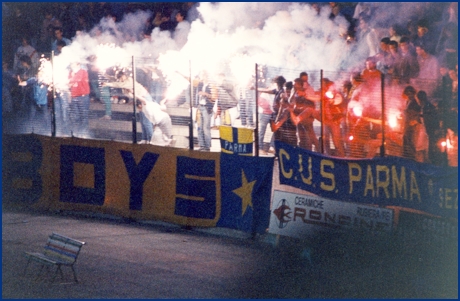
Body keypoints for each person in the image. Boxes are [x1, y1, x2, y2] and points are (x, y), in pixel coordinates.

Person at [103, 71, 154, 144]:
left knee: (146, 122)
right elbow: (114, 80)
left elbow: (119, 84)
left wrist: (107, 84)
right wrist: (104, 74)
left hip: (145, 99)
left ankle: (151, 140)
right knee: (143, 121)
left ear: (123, 76)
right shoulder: (123, 82)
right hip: (139, 100)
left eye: (120, 78)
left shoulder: (129, 81)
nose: (119, 80)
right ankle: (144, 139)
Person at [321, 78, 346, 157]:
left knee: (336, 141)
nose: (324, 86)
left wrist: (332, 101)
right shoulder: (324, 94)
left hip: (335, 121)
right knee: (325, 139)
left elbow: (339, 102)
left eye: (326, 85)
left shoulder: (337, 95)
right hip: (326, 120)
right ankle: (327, 155)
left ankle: (342, 156)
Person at [193, 72, 217, 151]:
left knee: (206, 128)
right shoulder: (200, 84)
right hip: (200, 107)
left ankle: (207, 147)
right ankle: (202, 146)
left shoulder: (211, 85)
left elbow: (214, 97)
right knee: (199, 128)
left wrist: (206, 94)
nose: (202, 77)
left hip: (207, 108)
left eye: (204, 75)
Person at [68, 61, 91, 138]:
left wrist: (68, 81)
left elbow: (76, 79)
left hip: (83, 97)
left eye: (73, 63)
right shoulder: (71, 72)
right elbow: (69, 83)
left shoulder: (83, 72)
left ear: (78, 64)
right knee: (75, 117)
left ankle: (83, 134)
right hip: (74, 97)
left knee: (83, 116)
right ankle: (76, 134)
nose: (71, 65)